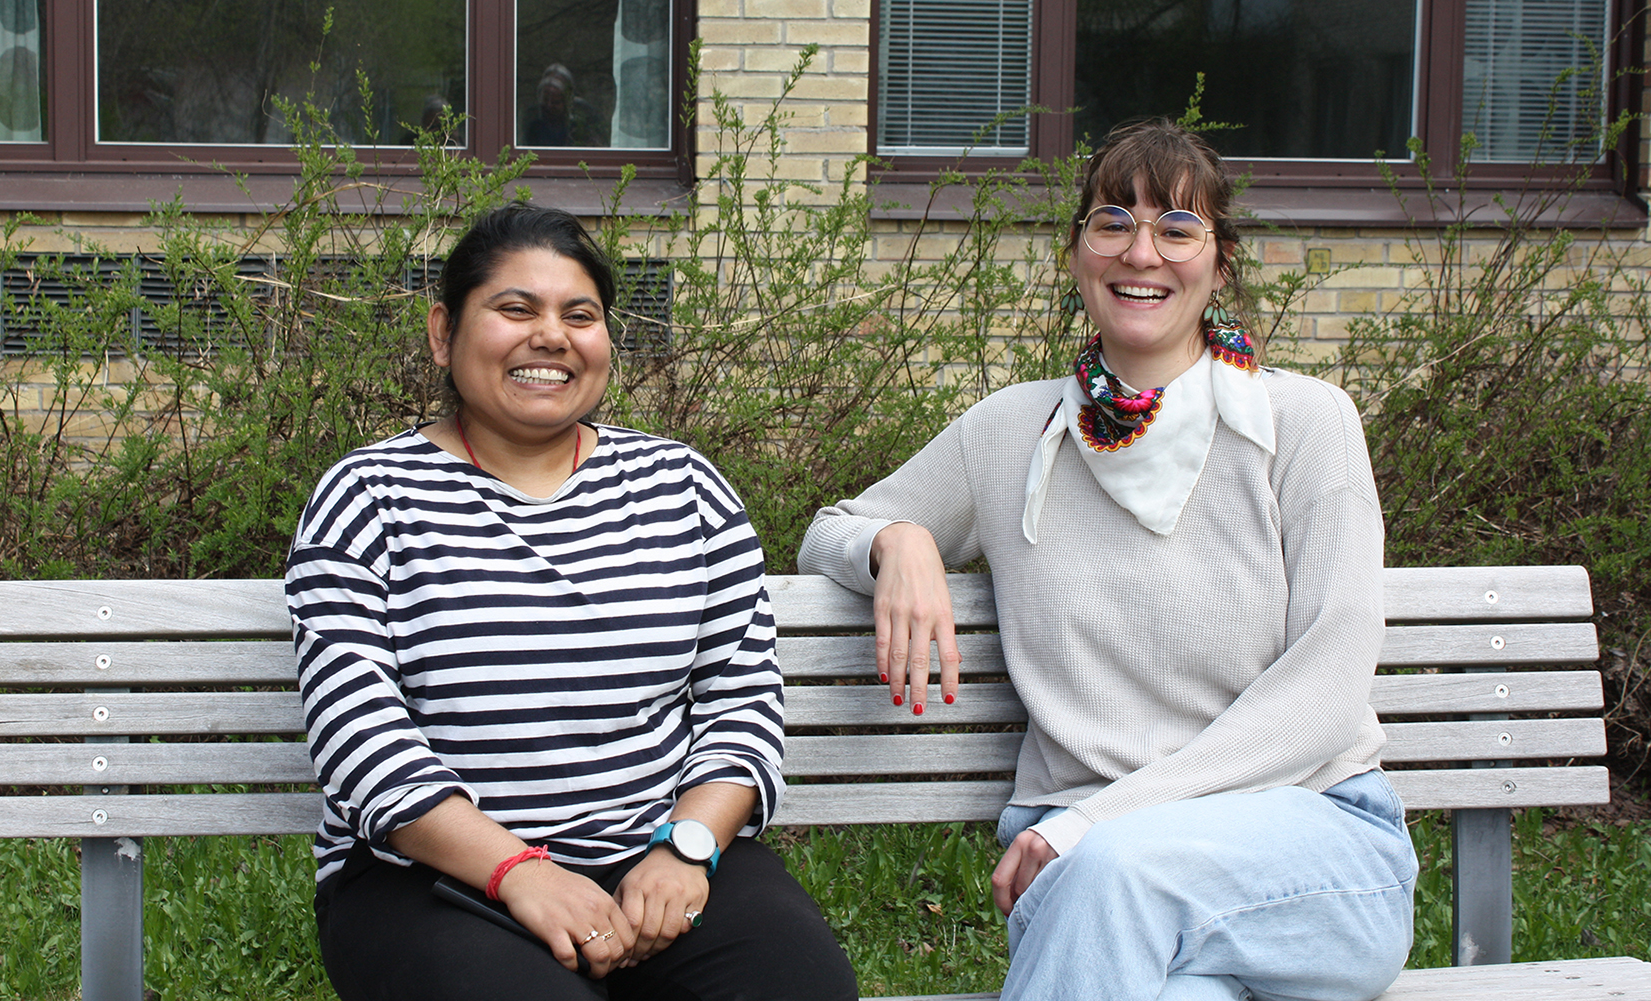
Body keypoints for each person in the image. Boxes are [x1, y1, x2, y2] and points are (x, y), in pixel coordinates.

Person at [797, 119, 1417, 1001]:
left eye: (1177, 228)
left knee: (1123, 870)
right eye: (1113, 222)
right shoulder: (1009, 433)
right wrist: (896, 541)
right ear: (1078, 253)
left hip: (1311, 848)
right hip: (1074, 860)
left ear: (1221, 261)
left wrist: (1101, 822)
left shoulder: (1306, 424)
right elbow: (830, 530)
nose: (1143, 252)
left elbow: (1326, 692)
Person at [288, 204, 856, 1001]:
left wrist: (688, 847)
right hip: (430, 878)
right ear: (443, 332)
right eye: (515, 309)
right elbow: (359, 736)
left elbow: (741, 700)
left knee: (797, 986)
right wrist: (518, 870)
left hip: (657, 857)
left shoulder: (683, 489)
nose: (550, 337)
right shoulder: (369, 498)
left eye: (579, 315)